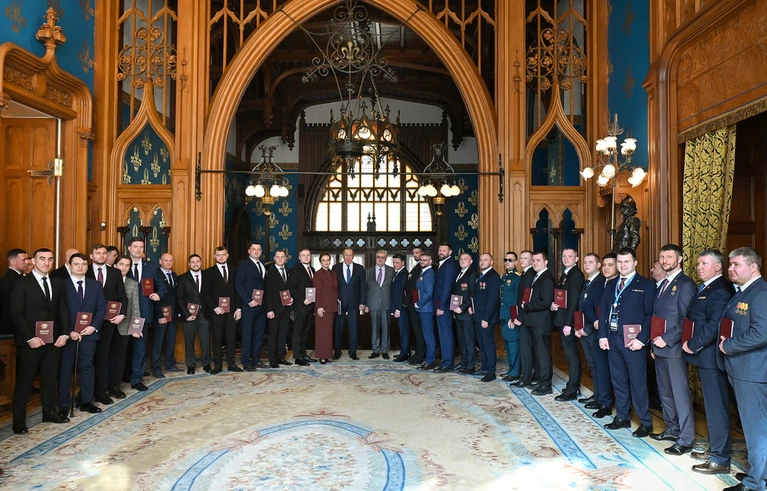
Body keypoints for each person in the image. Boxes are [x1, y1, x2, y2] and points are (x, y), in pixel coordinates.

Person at [718, 247, 767, 491]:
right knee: (754, 425)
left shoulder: (760, 293)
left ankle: (755, 483)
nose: (731, 269)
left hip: (752, 370)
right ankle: (760, 472)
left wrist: (729, 345)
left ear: (753, 266)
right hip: (742, 369)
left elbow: (762, 333)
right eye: (730, 265)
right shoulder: (744, 291)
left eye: (736, 264)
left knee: (756, 428)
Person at [682, 249, 733, 475]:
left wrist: (693, 344)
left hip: (712, 358)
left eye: (704, 263)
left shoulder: (719, 290)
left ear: (718, 267)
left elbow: (714, 325)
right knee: (713, 407)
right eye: (698, 263)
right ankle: (716, 449)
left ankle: (720, 459)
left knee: (716, 407)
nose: (699, 267)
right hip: (706, 358)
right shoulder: (707, 287)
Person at [10, 248, 71, 434]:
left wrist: (64, 334)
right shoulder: (22, 283)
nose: (46, 262)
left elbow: (63, 309)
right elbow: (16, 313)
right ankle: (18, 421)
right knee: (25, 381)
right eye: (42, 258)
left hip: (53, 340)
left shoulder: (57, 282)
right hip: (30, 341)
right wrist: (30, 337)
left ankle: (49, 413)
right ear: (33, 261)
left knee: (50, 378)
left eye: (50, 259)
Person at [598, 247, 655, 438]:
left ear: (635, 263)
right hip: (613, 339)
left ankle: (645, 422)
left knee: (637, 382)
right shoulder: (610, 284)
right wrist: (602, 335)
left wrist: (642, 339)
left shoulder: (646, 285)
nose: (622, 265)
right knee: (618, 380)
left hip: (633, 342)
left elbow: (650, 315)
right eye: (620, 262)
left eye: (626, 262)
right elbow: (604, 311)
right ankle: (622, 417)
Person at [650, 244, 697, 455]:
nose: (664, 260)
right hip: (659, 348)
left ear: (679, 260)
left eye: (669, 257)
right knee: (665, 393)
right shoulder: (663, 284)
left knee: (679, 394)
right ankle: (672, 429)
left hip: (675, 349)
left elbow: (686, 321)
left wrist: (666, 339)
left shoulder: (685, 285)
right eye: (662, 257)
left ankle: (686, 439)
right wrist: (653, 343)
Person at [58, 253, 107, 416]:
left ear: (87, 266)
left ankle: (86, 401)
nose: (80, 267)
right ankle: (64, 404)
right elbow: (58, 311)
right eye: (76, 264)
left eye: (84, 264)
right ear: (70, 266)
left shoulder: (95, 285)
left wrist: (93, 327)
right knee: (65, 369)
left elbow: (101, 308)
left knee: (87, 367)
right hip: (68, 335)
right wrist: (68, 331)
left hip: (89, 334)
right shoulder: (62, 285)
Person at [86, 244, 127, 406]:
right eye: (98, 253)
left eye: (104, 253)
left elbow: (122, 297)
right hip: (87, 322)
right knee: (88, 359)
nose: (101, 256)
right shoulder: (85, 271)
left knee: (103, 357)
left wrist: (122, 314)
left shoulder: (115, 273)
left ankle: (101, 392)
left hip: (108, 322)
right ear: (91, 256)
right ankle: (86, 393)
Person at [126, 237, 166, 390]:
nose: (138, 249)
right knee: (122, 350)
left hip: (143, 313)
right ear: (129, 248)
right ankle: (118, 380)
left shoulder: (152, 267)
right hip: (123, 315)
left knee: (140, 349)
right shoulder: (122, 264)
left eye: (141, 247)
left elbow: (161, 286)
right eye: (135, 246)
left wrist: (158, 294)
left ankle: (137, 379)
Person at [515, 251, 554, 393]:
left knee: (543, 354)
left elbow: (545, 302)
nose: (535, 263)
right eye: (534, 260)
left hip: (541, 322)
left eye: (538, 260)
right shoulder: (537, 277)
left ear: (545, 262)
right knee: (538, 353)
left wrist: (527, 306)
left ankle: (546, 384)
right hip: (532, 321)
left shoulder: (547, 279)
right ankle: (540, 381)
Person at [574, 253, 608, 416]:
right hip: (584, 331)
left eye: (591, 262)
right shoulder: (588, 282)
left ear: (598, 265)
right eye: (585, 262)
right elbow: (582, 306)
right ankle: (597, 395)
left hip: (593, 332)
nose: (587, 265)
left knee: (599, 366)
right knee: (592, 365)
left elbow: (598, 311)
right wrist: (578, 327)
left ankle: (602, 398)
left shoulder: (600, 282)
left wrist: (587, 328)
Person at [551, 248, 585, 400]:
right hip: (562, 320)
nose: (566, 258)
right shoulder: (565, 274)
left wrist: (568, 324)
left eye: (569, 256)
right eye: (564, 256)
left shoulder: (576, 275)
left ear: (576, 259)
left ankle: (573, 388)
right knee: (569, 355)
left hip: (568, 323)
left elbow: (574, 301)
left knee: (572, 356)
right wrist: (554, 305)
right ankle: (572, 385)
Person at [202, 246, 242, 373]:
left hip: (232, 311)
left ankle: (231, 364)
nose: (221, 257)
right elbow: (206, 294)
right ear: (214, 256)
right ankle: (218, 365)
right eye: (218, 255)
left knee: (231, 339)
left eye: (223, 254)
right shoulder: (208, 272)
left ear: (227, 255)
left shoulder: (235, 271)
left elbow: (238, 291)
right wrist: (215, 307)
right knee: (217, 339)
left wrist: (239, 309)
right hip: (216, 312)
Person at [234, 242, 268, 370]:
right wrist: (248, 301)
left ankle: (256, 360)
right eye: (254, 249)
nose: (256, 251)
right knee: (247, 335)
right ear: (249, 251)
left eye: (258, 249)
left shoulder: (262, 265)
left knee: (258, 335)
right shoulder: (244, 265)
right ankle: (246, 362)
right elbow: (238, 284)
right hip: (249, 306)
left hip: (261, 306)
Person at [110, 255, 141, 398]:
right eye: (121, 264)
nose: (124, 267)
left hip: (124, 326)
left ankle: (115, 386)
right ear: (115, 265)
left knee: (120, 358)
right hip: (107, 325)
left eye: (127, 265)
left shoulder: (133, 284)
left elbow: (135, 307)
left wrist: (136, 328)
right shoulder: (106, 280)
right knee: (105, 357)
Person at [176, 254, 211, 374]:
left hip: (204, 315)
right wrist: (186, 314)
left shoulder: (207, 276)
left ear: (201, 263)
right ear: (189, 264)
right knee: (189, 340)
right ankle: (190, 364)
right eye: (193, 262)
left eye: (197, 261)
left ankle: (207, 363)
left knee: (205, 341)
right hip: (189, 315)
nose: (195, 264)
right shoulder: (182, 278)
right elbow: (179, 298)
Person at [332, 248, 366, 360]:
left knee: (354, 328)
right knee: (338, 328)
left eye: (350, 255)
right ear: (343, 256)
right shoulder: (335, 268)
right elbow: (333, 287)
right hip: (339, 303)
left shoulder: (359, 268)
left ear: (353, 256)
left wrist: (362, 302)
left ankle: (353, 352)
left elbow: (363, 286)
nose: (348, 257)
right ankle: (337, 351)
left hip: (354, 303)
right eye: (346, 255)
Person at [472, 253, 501, 382]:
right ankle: (484, 367)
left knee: (488, 344)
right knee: (482, 344)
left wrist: (486, 318)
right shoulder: (481, 276)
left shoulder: (493, 276)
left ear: (491, 262)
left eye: (485, 260)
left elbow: (492, 299)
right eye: (481, 260)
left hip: (486, 318)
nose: (482, 262)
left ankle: (491, 371)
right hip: (478, 316)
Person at [152, 253, 181, 377]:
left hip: (173, 314)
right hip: (161, 315)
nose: (168, 263)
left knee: (171, 340)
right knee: (158, 342)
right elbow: (154, 297)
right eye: (166, 260)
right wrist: (160, 316)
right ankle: (156, 368)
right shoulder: (155, 274)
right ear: (160, 261)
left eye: (171, 260)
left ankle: (170, 364)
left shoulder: (174, 275)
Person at [265, 249, 293, 368]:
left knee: (283, 334)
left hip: (286, 308)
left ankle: (281, 357)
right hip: (274, 309)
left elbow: (289, 289)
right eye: (278, 257)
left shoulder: (288, 271)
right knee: (273, 334)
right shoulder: (269, 272)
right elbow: (268, 292)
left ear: (285, 259)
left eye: (282, 257)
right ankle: (273, 359)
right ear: (274, 258)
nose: (280, 259)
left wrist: (291, 299)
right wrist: (269, 309)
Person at [288, 248, 317, 365]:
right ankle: (298, 357)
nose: (306, 257)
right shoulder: (295, 270)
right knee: (298, 332)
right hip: (300, 306)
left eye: (308, 255)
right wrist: (303, 299)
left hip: (310, 306)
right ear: (299, 258)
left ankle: (304, 354)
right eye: (303, 255)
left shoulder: (312, 270)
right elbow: (292, 289)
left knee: (305, 332)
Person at [434, 243, 459, 372]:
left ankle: (447, 364)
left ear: (450, 252)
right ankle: (446, 361)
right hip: (441, 305)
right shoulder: (443, 264)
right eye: (440, 250)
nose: (441, 252)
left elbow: (447, 287)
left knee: (445, 335)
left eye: (444, 250)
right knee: (443, 334)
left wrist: (442, 307)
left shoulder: (449, 265)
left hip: (444, 306)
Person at [365, 250, 394, 359]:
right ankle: (375, 350)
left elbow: (394, 288)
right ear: (375, 258)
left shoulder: (391, 271)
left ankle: (385, 350)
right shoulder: (368, 271)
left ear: (386, 259)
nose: (380, 259)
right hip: (373, 304)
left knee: (386, 328)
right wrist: (365, 304)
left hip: (386, 303)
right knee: (374, 328)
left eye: (382, 257)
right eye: (378, 257)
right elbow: (365, 289)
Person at [453, 253, 478, 373]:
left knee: (469, 340)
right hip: (458, 313)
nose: (462, 261)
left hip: (466, 313)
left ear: (471, 261)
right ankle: (463, 362)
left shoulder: (472, 274)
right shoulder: (460, 274)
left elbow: (472, 294)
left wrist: (462, 307)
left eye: (465, 259)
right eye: (461, 259)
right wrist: (454, 308)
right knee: (461, 340)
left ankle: (471, 365)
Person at [500, 252, 521, 382]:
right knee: (507, 345)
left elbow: (516, 299)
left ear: (516, 262)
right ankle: (511, 369)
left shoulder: (517, 277)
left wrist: (513, 317)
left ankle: (515, 372)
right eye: (506, 260)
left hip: (511, 316)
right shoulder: (504, 276)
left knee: (513, 345)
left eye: (510, 260)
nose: (507, 262)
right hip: (503, 314)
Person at [313, 252, 338, 364]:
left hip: (332, 306)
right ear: (320, 262)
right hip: (322, 308)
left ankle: (328, 354)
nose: (326, 262)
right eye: (324, 260)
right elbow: (317, 292)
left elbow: (336, 289)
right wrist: (319, 306)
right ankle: (322, 356)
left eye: (328, 260)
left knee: (329, 333)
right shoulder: (318, 274)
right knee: (322, 332)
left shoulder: (333, 274)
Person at [414, 251, 436, 370]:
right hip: (423, 309)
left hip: (426, 309)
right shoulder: (423, 272)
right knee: (426, 335)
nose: (422, 262)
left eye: (425, 260)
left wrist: (419, 303)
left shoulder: (428, 274)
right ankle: (428, 359)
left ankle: (430, 360)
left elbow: (429, 293)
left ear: (430, 261)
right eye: (421, 260)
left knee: (428, 336)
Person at [406, 246, 426, 365]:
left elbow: (414, 287)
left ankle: (420, 355)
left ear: (422, 253)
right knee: (417, 331)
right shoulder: (416, 267)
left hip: (417, 304)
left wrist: (406, 301)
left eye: (417, 253)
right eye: (414, 253)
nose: (415, 255)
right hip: (413, 304)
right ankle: (418, 353)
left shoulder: (422, 268)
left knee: (419, 331)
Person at [0, 248, 27, 335]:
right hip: (12, 325)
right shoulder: (9, 280)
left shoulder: (18, 278)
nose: (26, 262)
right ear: (13, 262)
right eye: (23, 260)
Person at [390, 253, 410, 362]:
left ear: (403, 263)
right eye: (393, 262)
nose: (394, 265)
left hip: (401, 309)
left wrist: (398, 308)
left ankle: (404, 354)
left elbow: (402, 293)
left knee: (404, 331)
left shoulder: (404, 274)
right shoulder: (397, 273)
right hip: (397, 308)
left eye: (397, 263)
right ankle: (404, 351)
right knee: (402, 331)